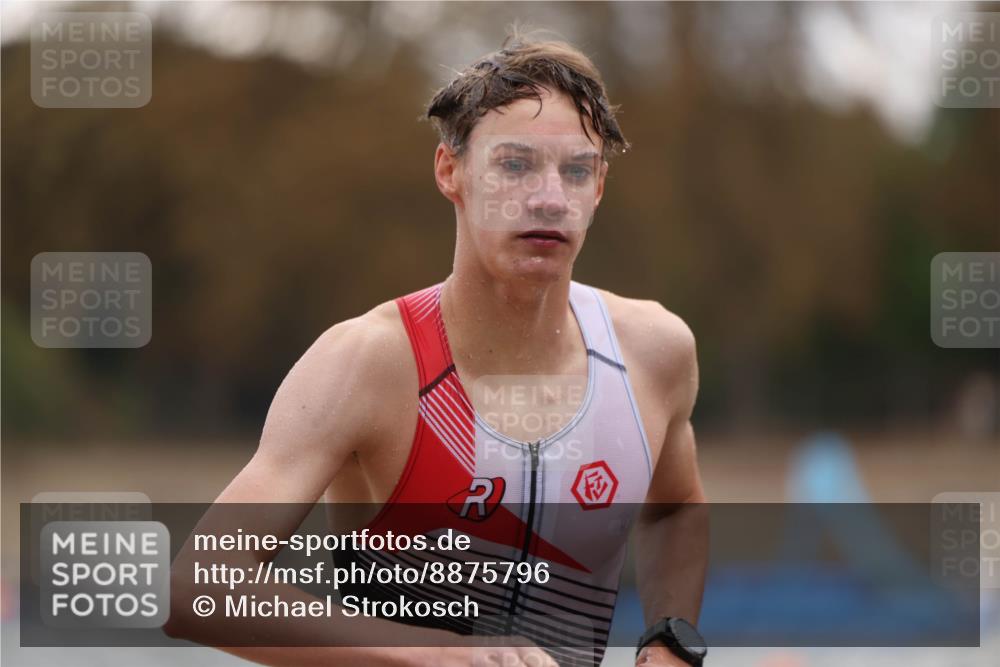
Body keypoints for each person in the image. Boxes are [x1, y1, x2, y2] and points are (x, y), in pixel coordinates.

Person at [167, 31, 708, 667]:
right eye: (514, 164)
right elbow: (195, 590)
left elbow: (674, 512)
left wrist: (671, 641)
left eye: (576, 170)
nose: (549, 198)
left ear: (599, 189)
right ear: (450, 172)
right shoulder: (366, 364)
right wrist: (437, 656)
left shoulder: (654, 351)